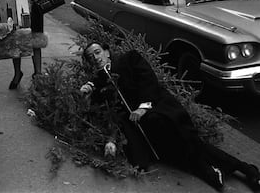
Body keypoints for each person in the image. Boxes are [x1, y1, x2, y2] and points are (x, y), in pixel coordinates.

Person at [80, 42, 260, 191]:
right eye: (91, 57)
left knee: (183, 140)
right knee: (172, 153)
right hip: (142, 129)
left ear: (106, 52)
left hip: (159, 109)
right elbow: (108, 112)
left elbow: (148, 81)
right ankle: (236, 170)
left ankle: (228, 171)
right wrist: (90, 96)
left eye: (97, 52)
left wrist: (144, 107)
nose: (96, 58)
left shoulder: (129, 59)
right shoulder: (100, 82)